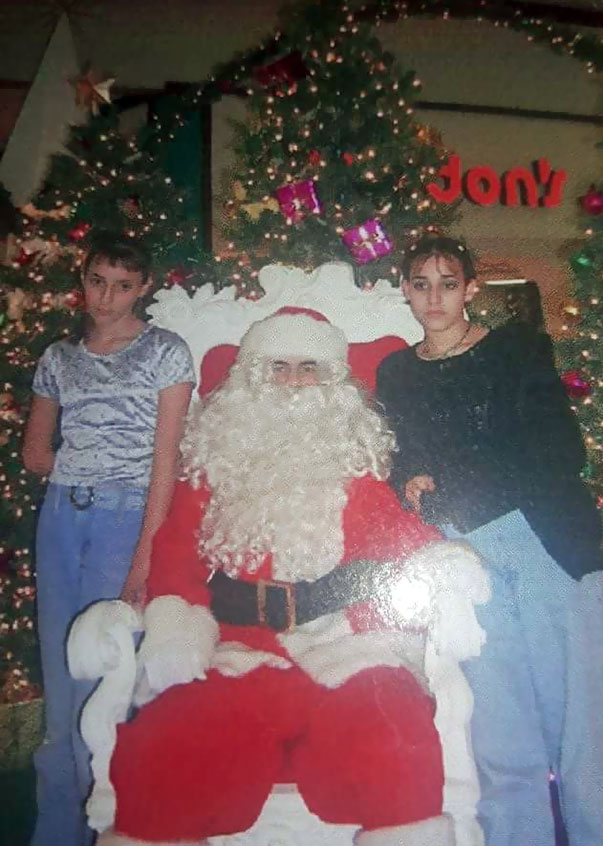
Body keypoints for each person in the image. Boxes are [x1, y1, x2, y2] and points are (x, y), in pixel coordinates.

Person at [83, 308, 485, 846]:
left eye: (308, 368)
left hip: (346, 649)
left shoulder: (354, 473)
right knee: (167, 744)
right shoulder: (212, 470)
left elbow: (402, 537)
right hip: (242, 651)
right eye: (279, 367)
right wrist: (178, 628)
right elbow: (175, 555)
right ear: (253, 377)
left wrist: (448, 573)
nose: (293, 382)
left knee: (396, 733)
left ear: (332, 383)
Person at [375, 235, 603, 846]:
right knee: (501, 737)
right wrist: (410, 480)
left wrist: (449, 477)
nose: (434, 297)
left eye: (448, 283)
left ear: (471, 289)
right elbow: (401, 456)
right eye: (420, 283)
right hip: (464, 556)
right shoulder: (396, 372)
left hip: (542, 541)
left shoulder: (517, 350)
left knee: (583, 733)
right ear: (403, 290)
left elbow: (560, 451)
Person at [22, 230, 196, 846]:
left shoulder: (165, 352)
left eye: (123, 286)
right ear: (83, 279)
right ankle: (56, 829)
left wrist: (144, 552)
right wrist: (77, 466)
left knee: (104, 672)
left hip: (125, 515)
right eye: (98, 281)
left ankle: (112, 827)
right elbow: (35, 451)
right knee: (60, 667)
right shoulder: (59, 357)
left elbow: (165, 461)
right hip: (63, 516)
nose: (107, 296)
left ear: (144, 288)